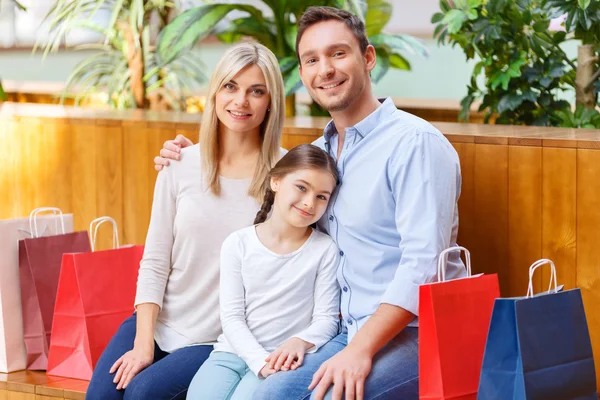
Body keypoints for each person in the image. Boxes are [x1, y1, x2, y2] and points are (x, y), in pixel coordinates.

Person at [155, 6, 465, 400]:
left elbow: (423, 265)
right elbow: (265, 195)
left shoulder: (414, 144)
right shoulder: (318, 157)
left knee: (273, 397)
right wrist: (187, 156)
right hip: (342, 331)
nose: (326, 69)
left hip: (416, 333)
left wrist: (360, 349)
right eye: (312, 60)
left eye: (338, 53)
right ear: (302, 75)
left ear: (367, 58)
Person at [86, 41, 285, 400]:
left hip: (219, 338)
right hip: (159, 322)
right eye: (230, 86)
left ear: (270, 101)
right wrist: (143, 343)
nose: (241, 101)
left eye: (257, 91)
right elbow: (155, 260)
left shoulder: (286, 176)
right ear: (214, 92)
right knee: (101, 396)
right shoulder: (179, 163)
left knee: (142, 395)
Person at [186, 144, 342, 399]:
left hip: (283, 358)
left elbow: (326, 320)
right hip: (231, 354)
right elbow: (232, 317)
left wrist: (300, 342)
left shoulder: (325, 250)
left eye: (321, 196)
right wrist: (259, 361)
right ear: (276, 182)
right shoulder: (238, 244)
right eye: (301, 187)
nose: (308, 202)